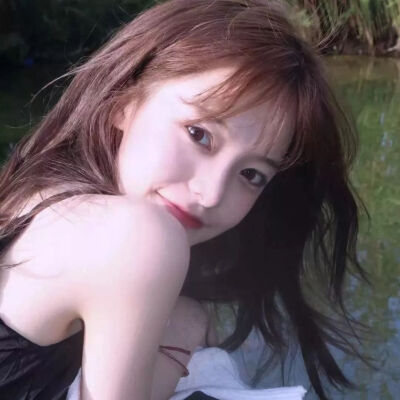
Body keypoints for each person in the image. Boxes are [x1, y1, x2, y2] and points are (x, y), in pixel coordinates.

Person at [0, 0, 368, 399]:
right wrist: (184, 330)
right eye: (199, 135)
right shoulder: (139, 235)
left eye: (251, 175)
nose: (211, 194)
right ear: (123, 101)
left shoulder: (32, 194)